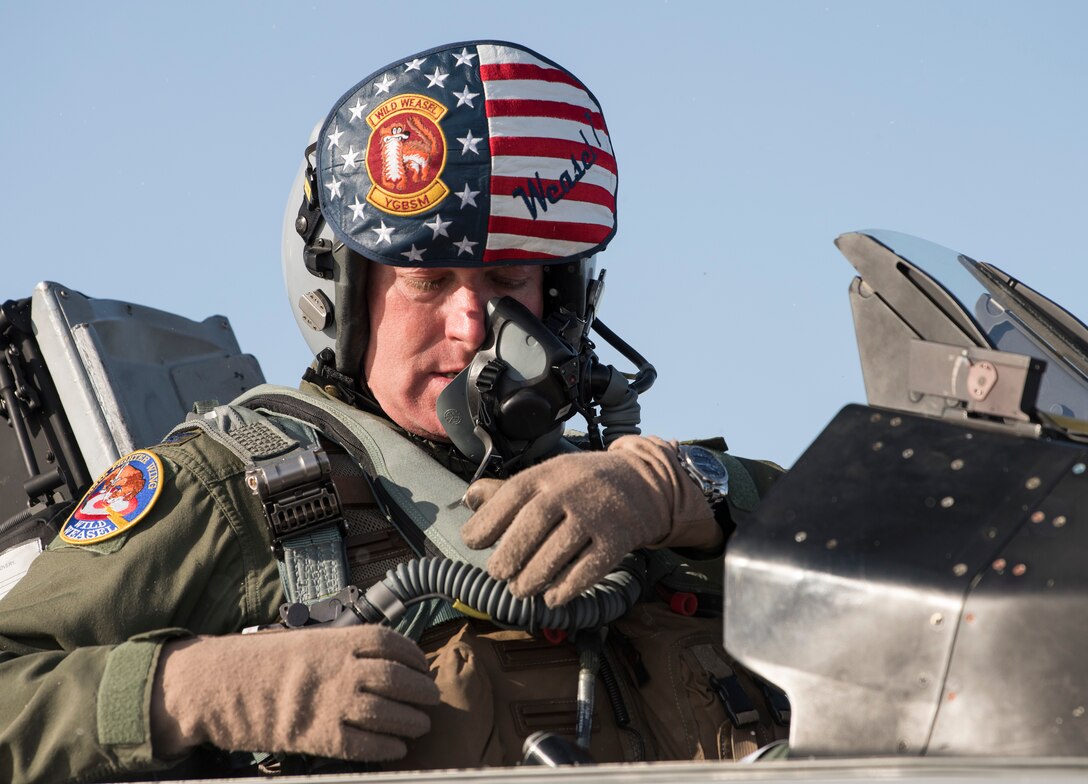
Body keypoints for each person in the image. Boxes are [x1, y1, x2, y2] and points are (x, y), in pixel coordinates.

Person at [0, 40, 786, 783]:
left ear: (563, 300)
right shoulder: (228, 488)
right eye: (429, 282)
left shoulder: (623, 501)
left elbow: (890, 548)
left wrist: (679, 488)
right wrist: (190, 688)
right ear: (347, 301)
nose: (473, 326)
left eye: (509, 280)